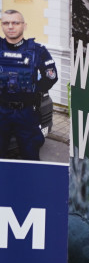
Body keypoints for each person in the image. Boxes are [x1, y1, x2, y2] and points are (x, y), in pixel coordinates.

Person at [0, 9, 57, 160]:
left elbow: (51, 77)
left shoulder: (37, 51)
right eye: (6, 23)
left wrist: (32, 91)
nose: (10, 26)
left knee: (30, 155)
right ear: (2, 26)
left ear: (24, 26)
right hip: (1, 111)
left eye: (15, 23)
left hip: (26, 113)